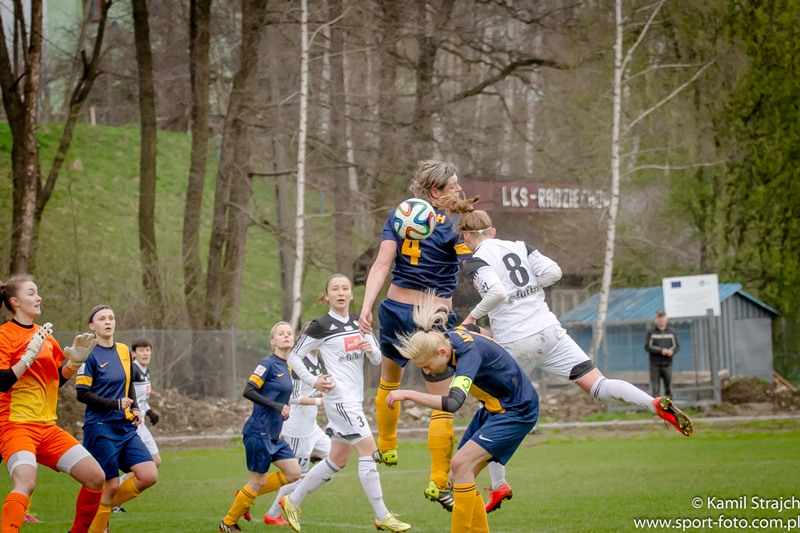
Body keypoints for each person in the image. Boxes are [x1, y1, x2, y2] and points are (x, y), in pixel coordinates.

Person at [448, 199, 693, 513]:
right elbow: (554, 271)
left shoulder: (476, 259)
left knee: (497, 409)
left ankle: (498, 485)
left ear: (466, 238)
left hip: (517, 342)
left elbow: (496, 293)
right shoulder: (519, 246)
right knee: (598, 384)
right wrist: (529, 289)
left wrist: (471, 318)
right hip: (550, 330)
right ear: (493, 231)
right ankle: (652, 403)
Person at [359, 159, 473, 511]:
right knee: (442, 401)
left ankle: (387, 445)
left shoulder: (400, 214)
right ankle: (438, 481)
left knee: (389, 380)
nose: (459, 189)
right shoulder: (454, 224)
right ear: (435, 192)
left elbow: (382, 264)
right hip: (432, 317)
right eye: (453, 186)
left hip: (394, 310)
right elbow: (471, 262)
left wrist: (366, 306)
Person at [387, 292, 539, 533]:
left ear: (442, 352)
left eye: (427, 366)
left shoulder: (467, 355)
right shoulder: (449, 339)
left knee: (460, 465)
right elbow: (475, 328)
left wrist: (408, 394)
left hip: (516, 410)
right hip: (494, 408)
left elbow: (453, 403)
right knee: (460, 474)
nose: (428, 372)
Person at [281, 274, 410, 532]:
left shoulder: (360, 322)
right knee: (369, 452)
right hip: (340, 400)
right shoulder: (320, 326)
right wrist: (314, 380)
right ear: (327, 295)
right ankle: (382, 515)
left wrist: (371, 350)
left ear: (351, 294)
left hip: (354, 400)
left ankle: (292, 501)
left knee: (337, 460)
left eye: (345, 289)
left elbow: (377, 360)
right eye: (335, 289)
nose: (340, 293)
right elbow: (294, 356)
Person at [0, 275, 105, 533]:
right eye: (31, 293)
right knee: (26, 483)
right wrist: (27, 357)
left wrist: (74, 363)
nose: (39, 298)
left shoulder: (44, 335)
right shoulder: (4, 335)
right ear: (15, 302)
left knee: (96, 478)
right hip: (16, 426)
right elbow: (2, 382)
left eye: (38, 292)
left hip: (47, 429)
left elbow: (55, 379)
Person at [76, 305, 159, 533]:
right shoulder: (88, 354)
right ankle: (99, 523)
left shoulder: (123, 350)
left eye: (111, 318)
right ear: (92, 326)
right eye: (102, 319)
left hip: (125, 426)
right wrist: (115, 404)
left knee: (149, 475)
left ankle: (101, 509)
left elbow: (129, 384)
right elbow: (81, 394)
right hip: (100, 428)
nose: (108, 322)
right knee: (110, 485)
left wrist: (135, 408)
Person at [218, 322, 302, 533]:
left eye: (289, 333)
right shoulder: (267, 364)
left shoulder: (287, 367)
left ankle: (245, 494)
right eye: (281, 333)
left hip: (274, 435)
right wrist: (276, 406)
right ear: (272, 341)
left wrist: (283, 412)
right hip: (258, 432)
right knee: (258, 482)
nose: (286, 336)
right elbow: (248, 391)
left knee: (293, 472)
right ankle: (228, 523)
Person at [263, 344, 331, 526]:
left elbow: (310, 389)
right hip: (297, 429)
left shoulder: (317, 358)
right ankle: (271, 512)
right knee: (296, 476)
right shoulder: (297, 361)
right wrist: (320, 401)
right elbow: (292, 397)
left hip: (311, 426)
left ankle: (291, 500)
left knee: (334, 459)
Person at [111, 338, 162, 514]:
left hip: (141, 422)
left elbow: (140, 399)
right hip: (132, 423)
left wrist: (149, 411)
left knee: (156, 461)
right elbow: (127, 394)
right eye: (141, 350)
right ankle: (113, 499)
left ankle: (116, 489)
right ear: (133, 353)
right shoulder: (132, 370)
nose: (145, 353)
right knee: (144, 466)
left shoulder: (145, 371)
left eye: (148, 349)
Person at [645, 310, 680, 398]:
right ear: (655, 319)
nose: (661, 319)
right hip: (655, 364)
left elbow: (676, 346)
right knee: (655, 391)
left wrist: (671, 351)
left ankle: (669, 406)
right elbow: (647, 346)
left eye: (662, 317)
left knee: (669, 389)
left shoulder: (671, 332)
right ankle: (657, 407)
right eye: (659, 317)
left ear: (666, 318)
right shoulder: (651, 332)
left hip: (667, 364)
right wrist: (661, 351)